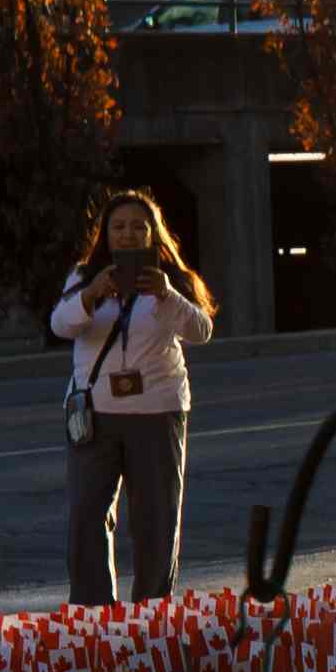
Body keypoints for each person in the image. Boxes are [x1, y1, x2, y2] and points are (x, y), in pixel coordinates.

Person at [50, 186, 215, 605]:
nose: (126, 234)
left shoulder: (170, 279)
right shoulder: (85, 276)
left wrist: (165, 294)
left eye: (137, 227)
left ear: (152, 234)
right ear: (104, 233)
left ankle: (152, 613)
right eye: (118, 226)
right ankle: (93, 617)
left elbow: (201, 330)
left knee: (155, 520)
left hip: (157, 411)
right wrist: (91, 296)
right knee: (87, 517)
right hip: (96, 414)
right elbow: (59, 325)